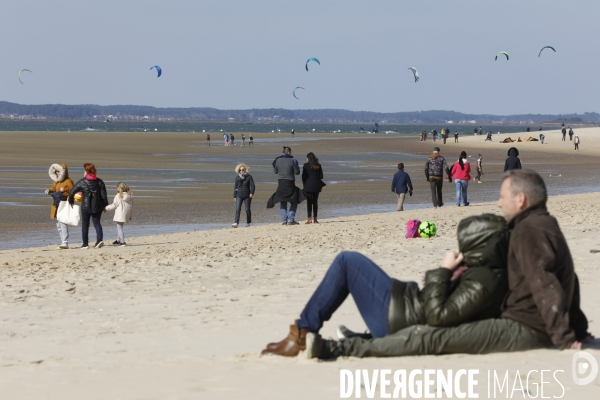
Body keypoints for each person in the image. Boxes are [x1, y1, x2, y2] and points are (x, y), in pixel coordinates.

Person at [261, 170, 592, 359]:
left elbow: (545, 280)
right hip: (420, 306)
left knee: (348, 262)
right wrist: (578, 326)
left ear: (521, 200)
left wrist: (565, 336)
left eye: (503, 196)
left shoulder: (528, 232)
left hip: (517, 324)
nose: (498, 201)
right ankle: (309, 333)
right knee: (352, 265)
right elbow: (569, 277)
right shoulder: (540, 226)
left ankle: (307, 335)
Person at [68, 163, 109, 249]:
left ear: (86, 171)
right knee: (97, 223)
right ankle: (99, 240)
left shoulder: (82, 182)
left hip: (85, 207)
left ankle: (85, 244)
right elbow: (104, 195)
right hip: (98, 206)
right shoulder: (99, 181)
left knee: (85, 225)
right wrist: (105, 205)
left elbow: (72, 192)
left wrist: (71, 201)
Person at [267, 147, 305, 225]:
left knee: (283, 201)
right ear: (288, 152)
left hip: (281, 182)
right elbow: (297, 172)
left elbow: (275, 171)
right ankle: (290, 219)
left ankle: (284, 221)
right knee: (294, 200)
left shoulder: (277, 160)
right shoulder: (292, 160)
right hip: (290, 182)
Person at [45, 164, 74, 249]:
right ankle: (62, 241)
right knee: (58, 223)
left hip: (64, 203)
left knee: (63, 222)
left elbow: (73, 190)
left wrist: (64, 190)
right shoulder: (56, 181)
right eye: (56, 171)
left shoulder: (68, 181)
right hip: (57, 203)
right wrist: (49, 191)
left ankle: (65, 242)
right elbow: (53, 188)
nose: (57, 173)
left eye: (59, 171)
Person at [104, 181, 133, 246]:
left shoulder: (118, 196)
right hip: (126, 214)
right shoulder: (129, 196)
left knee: (119, 228)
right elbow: (131, 207)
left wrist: (106, 208)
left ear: (119, 188)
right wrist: (130, 216)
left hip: (120, 214)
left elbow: (114, 205)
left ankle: (122, 241)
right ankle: (118, 240)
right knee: (120, 226)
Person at [302, 153, 325, 224]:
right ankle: (315, 218)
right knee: (315, 202)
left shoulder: (305, 165)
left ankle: (309, 219)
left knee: (309, 202)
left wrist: (305, 184)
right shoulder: (318, 165)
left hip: (308, 186)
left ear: (308, 158)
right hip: (316, 186)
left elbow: (303, 177)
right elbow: (321, 176)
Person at [232, 163, 255, 228]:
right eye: (240, 170)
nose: (241, 171)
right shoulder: (237, 177)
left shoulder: (249, 177)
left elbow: (252, 186)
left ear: (245, 170)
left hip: (247, 195)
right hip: (239, 195)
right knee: (237, 209)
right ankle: (236, 222)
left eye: (243, 170)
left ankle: (248, 222)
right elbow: (235, 187)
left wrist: (251, 193)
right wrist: (234, 196)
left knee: (247, 209)